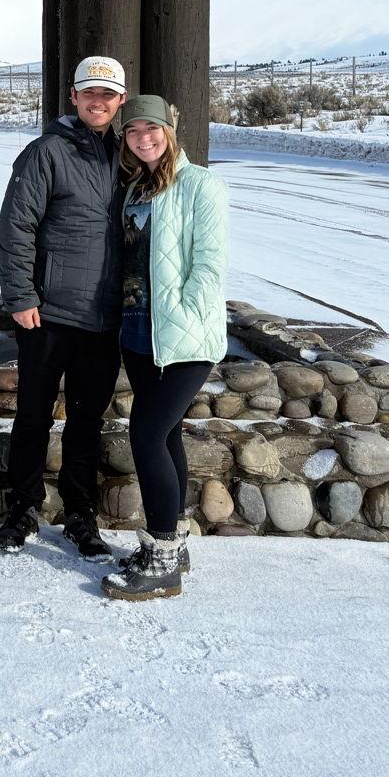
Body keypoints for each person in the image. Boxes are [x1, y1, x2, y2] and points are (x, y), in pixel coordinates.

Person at [0, 55, 128, 559]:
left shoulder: (128, 154)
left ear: (120, 101)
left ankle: (79, 514)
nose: (98, 101)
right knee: (33, 415)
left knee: (87, 423)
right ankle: (23, 508)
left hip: (105, 316)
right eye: (89, 92)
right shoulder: (46, 152)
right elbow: (17, 226)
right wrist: (21, 295)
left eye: (107, 94)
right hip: (47, 313)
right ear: (73, 96)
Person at [99, 95, 229, 602]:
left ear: (169, 131)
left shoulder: (201, 185)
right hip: (138, 332)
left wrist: (184, 317)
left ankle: (162, 561)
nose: (143, 138)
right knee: (168, 434)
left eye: (151, 129)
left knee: (147, 434)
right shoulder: (135, 187)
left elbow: (209, 264)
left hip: (183, 337)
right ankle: (175, 543)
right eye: (133, 131)